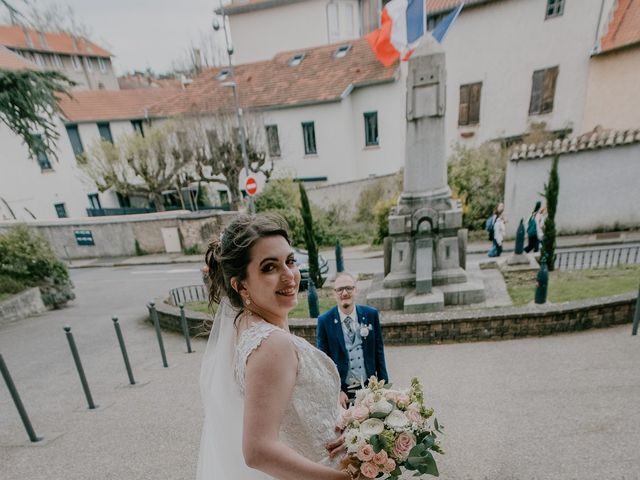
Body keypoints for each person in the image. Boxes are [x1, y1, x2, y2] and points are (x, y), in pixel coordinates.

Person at [198, 214, 352, 480]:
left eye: (289, 261)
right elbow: (258, 450)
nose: (289, 276)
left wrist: (355, 422)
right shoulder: (271, 343)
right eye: (269, 268)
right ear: (241, 285)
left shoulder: (245, 326)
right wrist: (342, 479)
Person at [316, 272, 389, 408]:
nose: (345, 293)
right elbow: (323, 363)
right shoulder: (324, 321)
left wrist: (384, 386)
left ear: (356, 290)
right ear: (334, 293)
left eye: (349, 288)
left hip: (371, 388)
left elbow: (379, 353)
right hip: (344, 393)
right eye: (340, 289)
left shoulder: (370, 314)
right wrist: (337, 391)